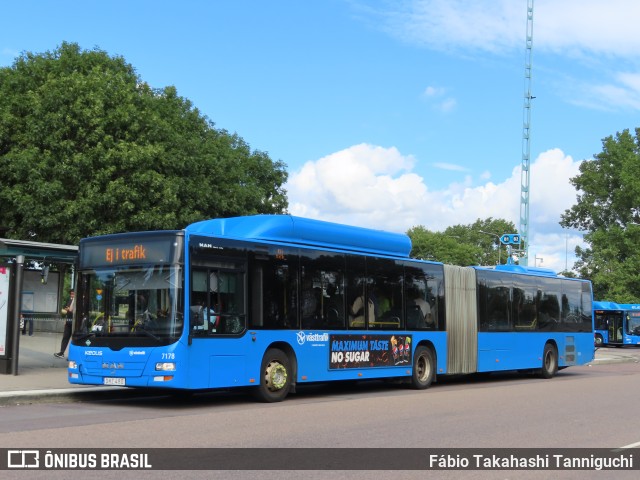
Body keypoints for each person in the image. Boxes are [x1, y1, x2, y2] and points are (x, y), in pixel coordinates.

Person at [54, 289, 75, 359]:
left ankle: (72, 355)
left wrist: (69, 308)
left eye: (73, 294)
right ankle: (61, 352)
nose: (72, 295)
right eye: (71, 294)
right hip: (68, 322)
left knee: (74, 339)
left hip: (74, 323)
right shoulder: (70, 300)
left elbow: (72, 310)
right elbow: (67, 310)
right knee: (65, 337)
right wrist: (66, 320)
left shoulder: (76, 301)